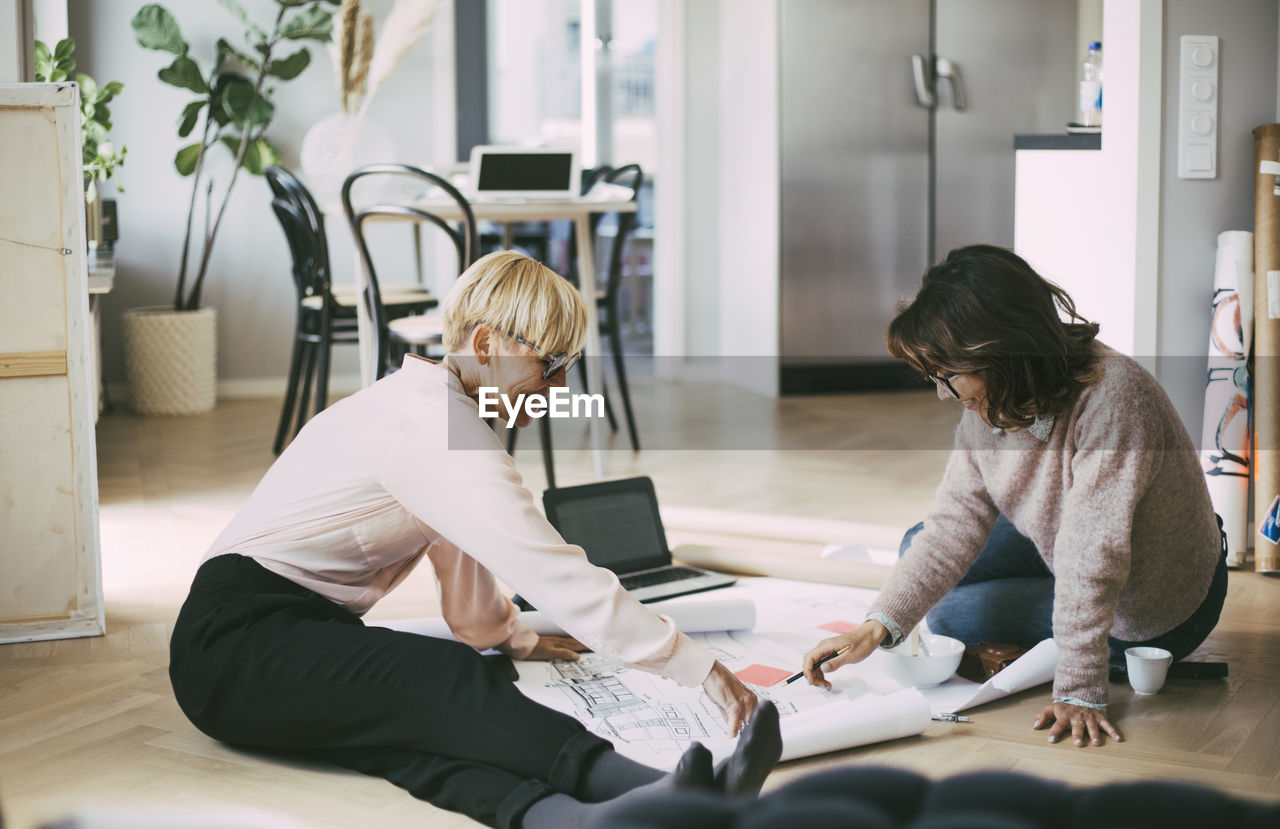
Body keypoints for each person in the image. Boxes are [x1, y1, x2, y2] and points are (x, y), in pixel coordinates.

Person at [169, 251, 782, 829]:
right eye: (551, 364)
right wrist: (698, 668)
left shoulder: (435, 418)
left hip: (280, 636)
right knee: (442, 679)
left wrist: (512, 637)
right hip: (234, 645)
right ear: (487, 346)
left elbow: (465, 586)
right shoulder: (430, 426)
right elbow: (551, 570)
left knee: (409, 732)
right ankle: (659, 796)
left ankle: (578, 820)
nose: (560, 387)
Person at [801, 245, 1227, 750]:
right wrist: (872, 629)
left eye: (948, 375)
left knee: (953, 617)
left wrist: (1079, 688)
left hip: (1156, 604)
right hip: (1074, 538)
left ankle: (1098, 646)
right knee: (916, 547)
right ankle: (1052, 607)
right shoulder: (990, 402)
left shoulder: (1115, 398)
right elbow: (950, 528)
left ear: (998, 353)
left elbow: (1093, 556)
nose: (943, 394)